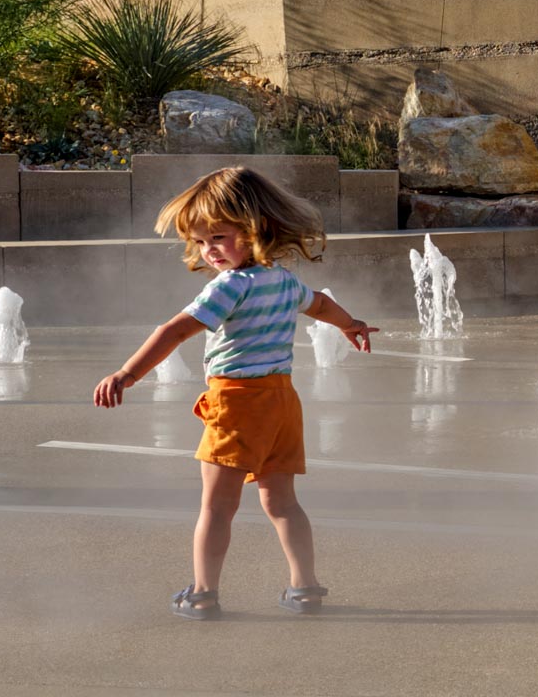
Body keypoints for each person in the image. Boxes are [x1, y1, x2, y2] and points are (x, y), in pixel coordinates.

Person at [92, 166, 378, 620]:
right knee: (282, 501)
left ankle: (203, 592)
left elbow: (175, 330)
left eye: (219, 238)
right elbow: (319, 303)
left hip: (238, 401)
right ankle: (304, 586)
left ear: (254, 230)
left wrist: (128, 373)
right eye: (202, 241)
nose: (209, 251)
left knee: (217, 506)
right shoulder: (283, 280)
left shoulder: (229, 287)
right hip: (282, 402)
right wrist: (350, 324)